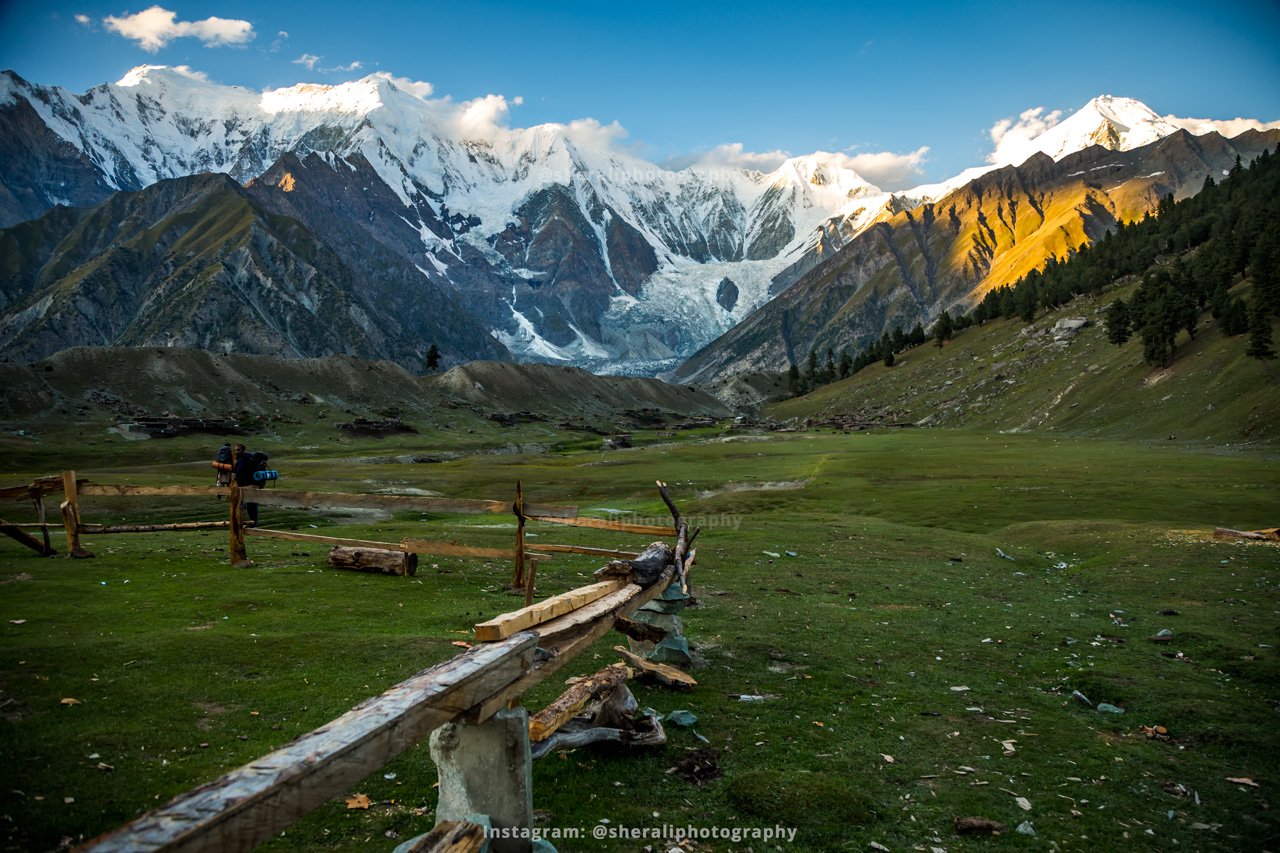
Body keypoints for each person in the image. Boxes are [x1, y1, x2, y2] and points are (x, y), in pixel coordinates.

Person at [232, 444, 268, 526]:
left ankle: (238, 524)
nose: (236, 452)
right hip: (254, 485)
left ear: (244, 450)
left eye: (238, 450)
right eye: (236, 450)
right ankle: (254, 524)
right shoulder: (252, 458)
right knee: (252, 505)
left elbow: (239, 472)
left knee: (239, 505)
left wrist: (237, 481)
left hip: (243, 486)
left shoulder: (242, 459)